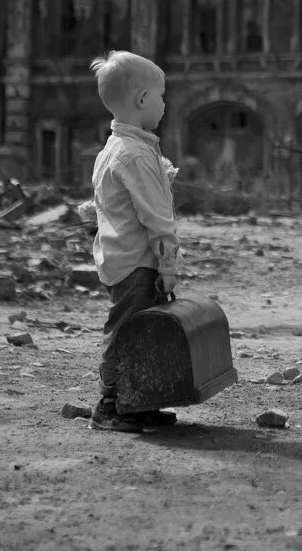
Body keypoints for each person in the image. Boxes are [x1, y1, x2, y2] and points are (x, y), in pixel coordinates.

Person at [86, 50, 182, 432]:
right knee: (127, 332)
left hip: (120, 257)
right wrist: (169, 267)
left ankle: (137, 402)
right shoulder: (136, 155)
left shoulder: (117, 148)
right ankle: (110, 405)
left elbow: (103, 200)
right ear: (143, 100)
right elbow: (157, 220)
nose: (164, 104)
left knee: (140, 332)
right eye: (161, 96)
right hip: (137, 263)